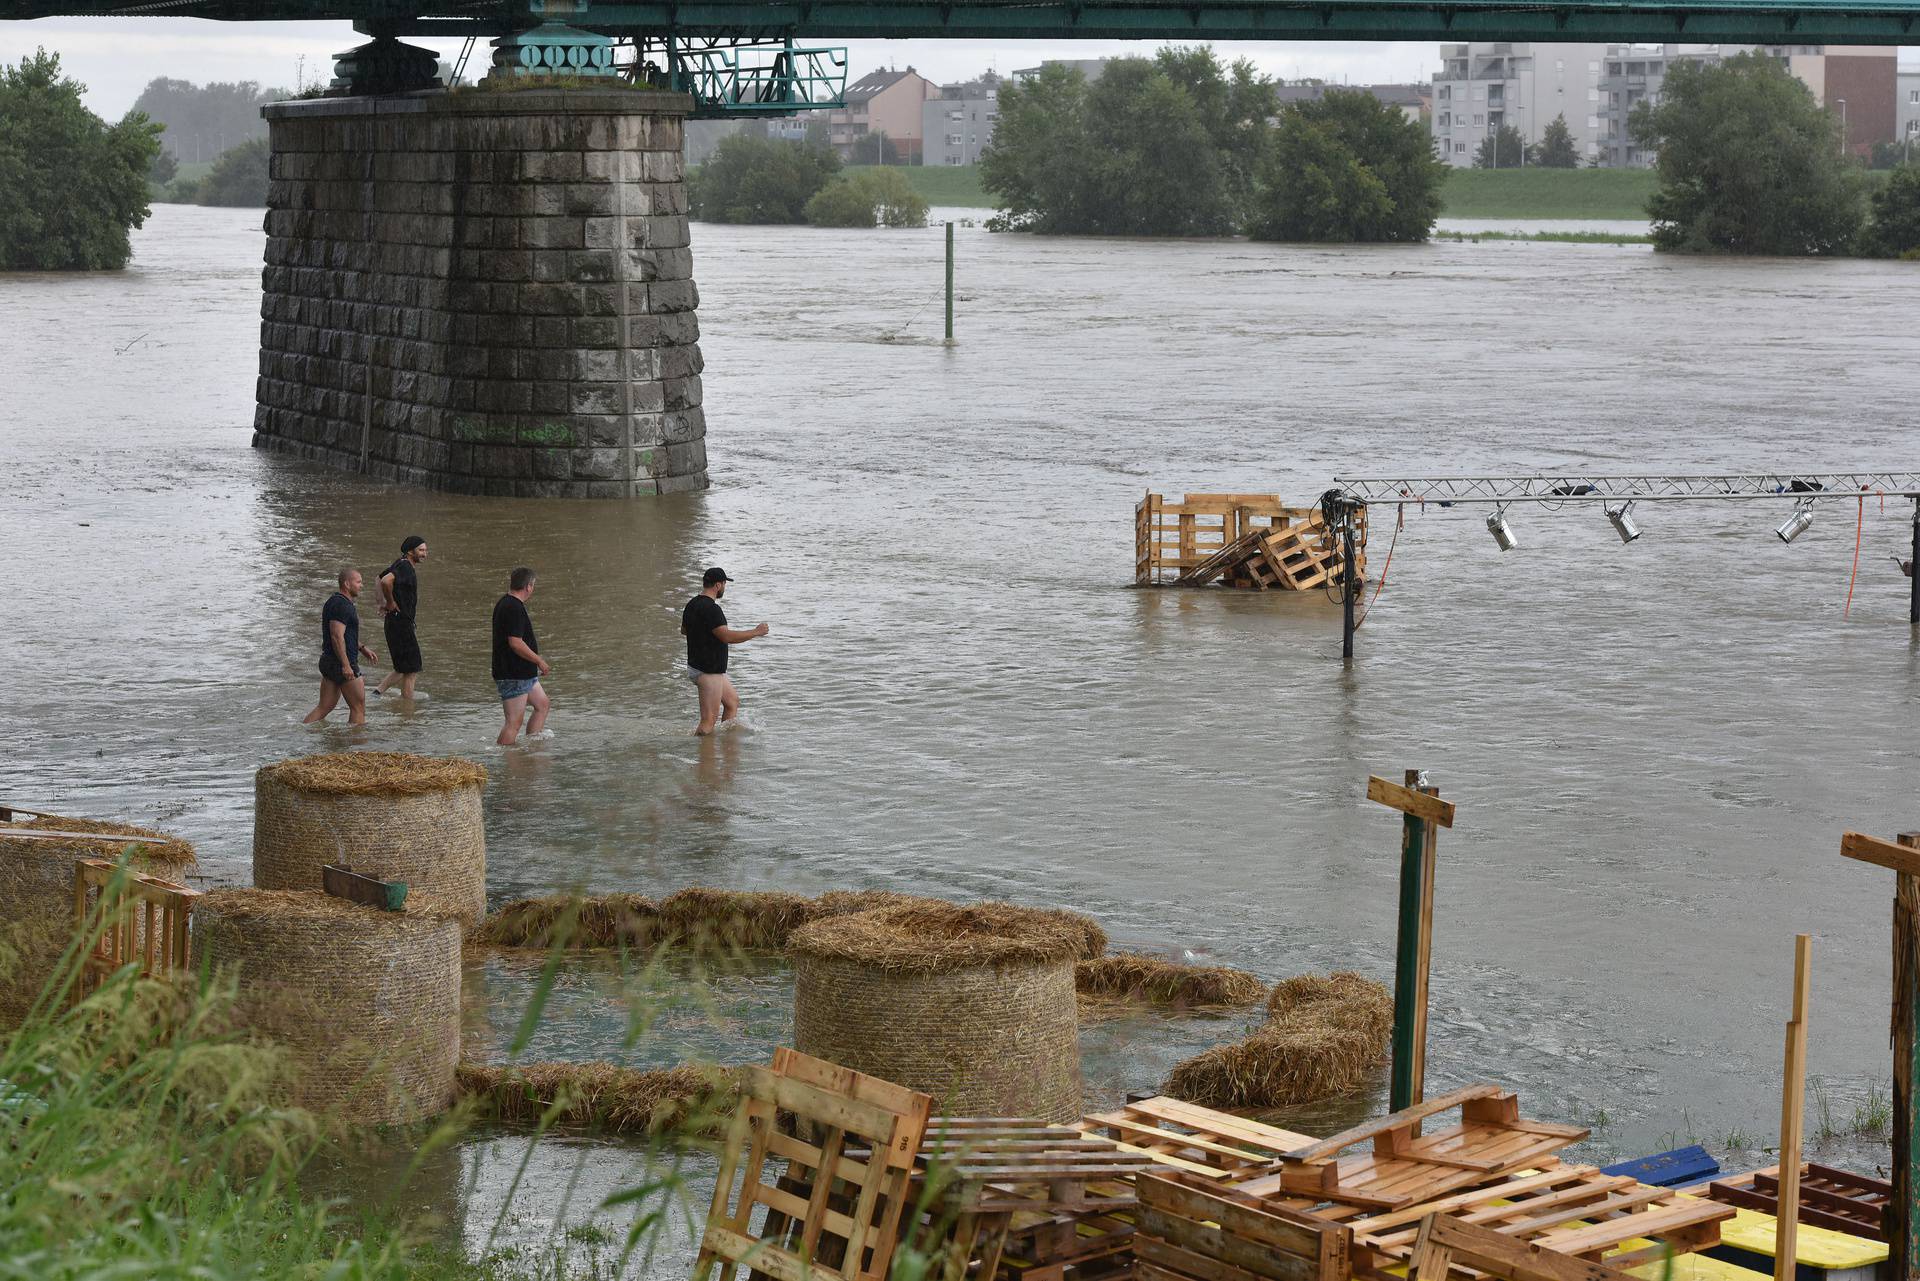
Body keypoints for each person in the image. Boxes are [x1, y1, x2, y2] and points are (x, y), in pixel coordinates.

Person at [681, 567, 769, 736]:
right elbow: (727, 637)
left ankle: (725, 744)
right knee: (708, 722)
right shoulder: (712, 609)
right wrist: (756, 632)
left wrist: (703, 635)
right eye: (724, 584)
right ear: (718, 585)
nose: (724, 588)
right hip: (707, 670)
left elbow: (684, 631)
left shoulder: (692, 604)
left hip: (702, 667)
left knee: (732, 702)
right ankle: (705, 759)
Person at [303, 568, 378, 726]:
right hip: (341, 663)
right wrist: (346, 665)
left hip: (329, 661)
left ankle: (301, 731)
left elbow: (343, 634)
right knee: (358, 707)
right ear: (347, 583)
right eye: (358, 582)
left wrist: (362, 647)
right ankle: (356, 747)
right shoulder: (342, 605)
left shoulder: (335, 601)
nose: (361, 585)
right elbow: (336, 636)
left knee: (324, 707)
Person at [492, 566, 551, 746]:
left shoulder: (508, 603)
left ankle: (531, 748)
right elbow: (515, 643)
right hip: (513, 673)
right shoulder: (513, 608)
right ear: (529, 586)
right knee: (513, 723)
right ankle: (506, 760)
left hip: (524, 672)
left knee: (542, 705)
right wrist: (539, 660)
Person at [374, 535, 429, 701]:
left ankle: (376, 694)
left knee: (402, 667)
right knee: (412, 668)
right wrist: (389, 602)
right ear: (410, 551)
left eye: (426, 550)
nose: (425, 554)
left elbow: (378, 578)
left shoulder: (399, 563)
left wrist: (380, 602)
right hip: (401, 622)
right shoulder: (405, 567)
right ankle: (407, 709)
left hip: (395, 622)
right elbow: (385, 581)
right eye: (421, 550)